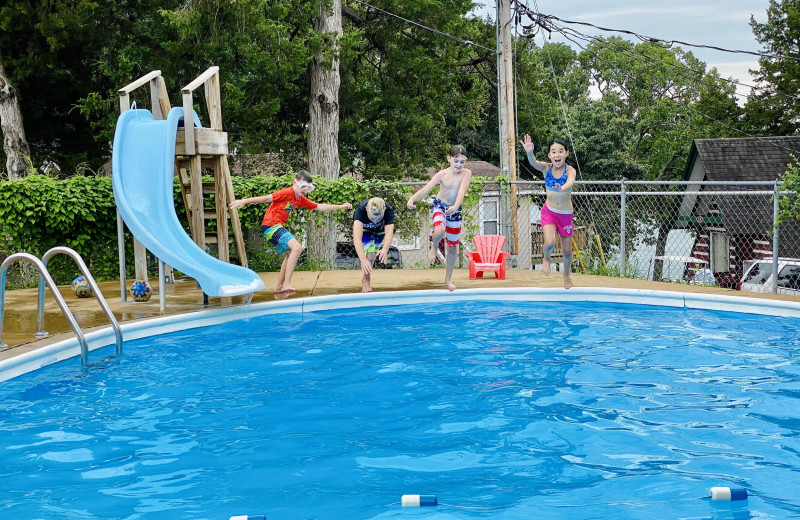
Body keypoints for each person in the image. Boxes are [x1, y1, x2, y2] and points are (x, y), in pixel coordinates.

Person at [229, 170, 352, 294]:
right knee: (297, 248)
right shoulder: (286, 192)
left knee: (289, 254)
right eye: (302, 186)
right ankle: (286, 284)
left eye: (307, 188)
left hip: (273, 227)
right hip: (271, 225)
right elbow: (265, 199)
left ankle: (278, 287)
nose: (304, 190)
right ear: (294, 183)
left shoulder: (299, 198)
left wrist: (341, 206)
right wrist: (243, 201)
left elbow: (319, 207)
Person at [407, 144, 473, 291]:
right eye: (456, 161)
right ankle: (434, 247)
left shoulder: (466, 173)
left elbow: (462, 190)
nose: (459, 164)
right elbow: (426, 189)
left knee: (452, 247)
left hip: (454, 209)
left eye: (462, 162)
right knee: (439, 229)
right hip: (440, 206)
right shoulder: (441, 175)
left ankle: (448, 279)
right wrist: (412, 199)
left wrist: (456, 206)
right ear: (449, 159)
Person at [521, 135, 576, 289]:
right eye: (553, 152)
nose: (557, 155)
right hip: (549, 212)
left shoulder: (570, 170)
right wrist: (529, 152)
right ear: (549, 155)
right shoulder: (546, 168)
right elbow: (533, 163)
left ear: (566, 154)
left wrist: (563, 187)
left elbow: (571, 181)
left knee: (566, 252)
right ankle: (546, 258)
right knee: (550, 242)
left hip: (565, 215)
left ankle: (566, 276)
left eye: (560, 151)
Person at [352, 197, 395, 293]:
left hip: (380, 230)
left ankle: (366, 276)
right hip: (365, 230)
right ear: (367, 209)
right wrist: (363, 260)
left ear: (384, 210)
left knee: (372, 255)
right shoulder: (361, 210)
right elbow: (357, 239)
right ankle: (366, 279)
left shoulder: (388, 210)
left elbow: (389, 233)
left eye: (379, 218)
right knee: (370, 256)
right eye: (372, 218)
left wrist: (384, 249)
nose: (375, 221)